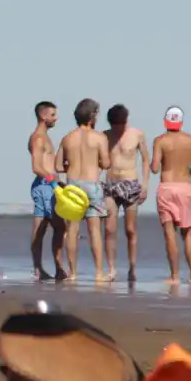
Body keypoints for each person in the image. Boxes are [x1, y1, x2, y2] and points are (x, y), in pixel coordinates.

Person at [56, 99, 112, 282]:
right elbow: (106, 163)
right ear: (92, 116)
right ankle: (98, 273)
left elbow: (57, 166)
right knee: (94, 229)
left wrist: (70, 165)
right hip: (91, 182)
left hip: (72, 184)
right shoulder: (100, 138)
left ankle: (72, 273)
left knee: (72, 229)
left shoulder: (67, 138)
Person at [150, 107, 191, 286]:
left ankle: (174, 277)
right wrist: (186, 170)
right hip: (184, 187)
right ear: (181, 122)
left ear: (166, 121)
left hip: (166, 187)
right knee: (188, 232)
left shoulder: (160, 141)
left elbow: (155, 167)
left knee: (169, 233)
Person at [102, 105, 152, 283]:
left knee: (130, 229)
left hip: (131, 183)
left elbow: (146, 159)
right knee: (109, 229)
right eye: (115, 125)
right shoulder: (105, 136)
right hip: (111, 183)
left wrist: (145, 185)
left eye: (120, 125)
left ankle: (132, 268)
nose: (118, 129)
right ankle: (111, 268)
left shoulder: (136, 134)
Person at [27, 101, 66, 281]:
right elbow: (36, 166)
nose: (55, 118)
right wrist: (52, 181)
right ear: (43, 116)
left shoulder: (44, 137)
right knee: (57, 227)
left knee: (44, 227)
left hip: (47, 185)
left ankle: (42, 268)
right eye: (52, 115)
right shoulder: (38, 138)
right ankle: (53, 268)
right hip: (44, 186)